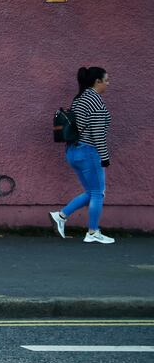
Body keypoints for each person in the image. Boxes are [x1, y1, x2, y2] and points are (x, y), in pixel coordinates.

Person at [49, 67, 114, 244]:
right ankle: (93, 232)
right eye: (106, 80)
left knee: (92, 192)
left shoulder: (79, 99)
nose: (108, 83)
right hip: (89, 152)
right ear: (97, 82)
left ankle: (61, 216)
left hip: (73, 151)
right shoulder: (95, 101)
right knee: (98, 193)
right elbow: (98, 133)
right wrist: (105, 157)